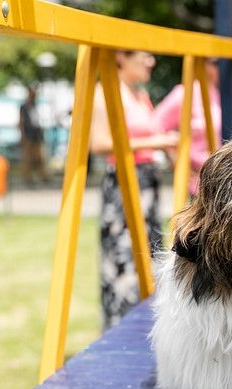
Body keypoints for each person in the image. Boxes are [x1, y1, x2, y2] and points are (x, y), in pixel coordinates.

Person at [89, 50, 179, 329]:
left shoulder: (141, 96)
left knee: (149, 254)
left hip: (148, 182)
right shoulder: (105, 93)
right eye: (144, 56)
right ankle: (120, 327)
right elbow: (100, 144)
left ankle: (146, 325)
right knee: (122, 255)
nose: (151, 61)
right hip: (123, 181)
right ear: (121, 58)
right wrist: (156, 140)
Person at [154, 59, 232, 197]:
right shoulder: (187, 93)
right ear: (205, 65)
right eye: (216, 63)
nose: (225, 67)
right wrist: (179, 163)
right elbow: (155, 128)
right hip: (205, 186)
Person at [19, 85, 50, 185]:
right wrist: (23, 136)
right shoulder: (24, 107)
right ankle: (27, 178)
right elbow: (21, 122)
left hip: (37, 135)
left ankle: (43, 176)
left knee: (40, 157)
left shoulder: (35, 105)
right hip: (29, 135)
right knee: (28, 158)